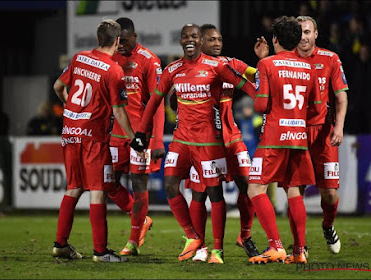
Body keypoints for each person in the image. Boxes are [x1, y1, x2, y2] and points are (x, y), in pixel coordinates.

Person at [130, 23, 256, 264]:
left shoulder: (220, 65)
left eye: (194, 37)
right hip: (181, 141)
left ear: (200, 42)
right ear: (181, 41)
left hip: (212, 142)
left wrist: (264, 101)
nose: (190, 40)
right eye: (186, 36)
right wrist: (141, 133)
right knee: (171, 186)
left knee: (220, 191)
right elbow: (155, 99)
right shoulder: (173, 69)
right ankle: (193, 237)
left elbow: (244, 82)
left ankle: (221, 248)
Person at [51, 19, 136, 263]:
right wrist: (135, 139)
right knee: (97, 192)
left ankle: (61, 244)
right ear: (117, 42)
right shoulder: (114, 70)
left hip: (70, 132)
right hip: (93, 137)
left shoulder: (79, 58)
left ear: (98, 39)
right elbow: (119, 112)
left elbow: (58, 87)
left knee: (74, 188)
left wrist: (73, 110)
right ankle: (100, 251)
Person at [182, 24, 260, 262]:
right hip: (204, 140)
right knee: (200, 194)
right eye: (211, 40)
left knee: (249, 185)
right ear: (200, 43)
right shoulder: (191, 69)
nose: (217, 43)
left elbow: (255, 75)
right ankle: (201, 246)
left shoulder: (231, 64)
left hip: (231, 137)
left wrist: (265, 62)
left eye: (220, 39)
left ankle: (244, 236)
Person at [247, 16, 321, 264]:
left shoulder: (266, 65)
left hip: (273, 139)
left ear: (275, 39)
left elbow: (260, 105)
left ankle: (275, 246)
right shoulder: (309, 67)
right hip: (298, 137)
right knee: (293, 191)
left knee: (255, 188)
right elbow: (314, 108)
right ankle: (299, 251)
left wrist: (259, 69)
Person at [108, 17, 165, 256]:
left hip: (141, 136)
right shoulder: (111, 59)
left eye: (124, 39)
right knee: (107, 182)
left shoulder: (149, 61)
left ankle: (132, 242)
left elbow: (158, 103)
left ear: (135, 36)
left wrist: (159, 140)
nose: (120, 44)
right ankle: (140, 218)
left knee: (139, 184)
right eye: (117, 40)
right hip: (115, 135)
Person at [295, 15, 348, 254]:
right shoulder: (286, 59)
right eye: (299, 32)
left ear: (316, 34)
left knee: (329, 192)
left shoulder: (330, 59)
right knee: (296, 189)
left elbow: (341, 96)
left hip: (324, 134)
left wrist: (339, 127)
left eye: (307, 32)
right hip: (294, 132)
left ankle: (328, 225)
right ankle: (300, 245)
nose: (303, 37)